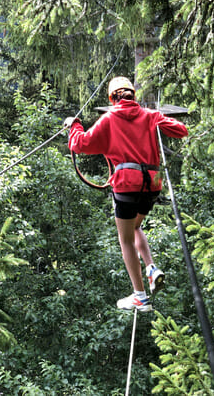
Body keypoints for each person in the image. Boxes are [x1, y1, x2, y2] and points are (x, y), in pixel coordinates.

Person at [64, 76, 188, 312]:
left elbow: (79, 144)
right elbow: (181, 131)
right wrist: (158, 122)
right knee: (135, 227)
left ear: (112, 98)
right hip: (152, 185)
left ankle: (140, 296)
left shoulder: (109, 119)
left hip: (126, 186)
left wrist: (74, 125)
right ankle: (151, 269)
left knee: (125, 239)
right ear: (133, 95)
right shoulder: (150, 116)